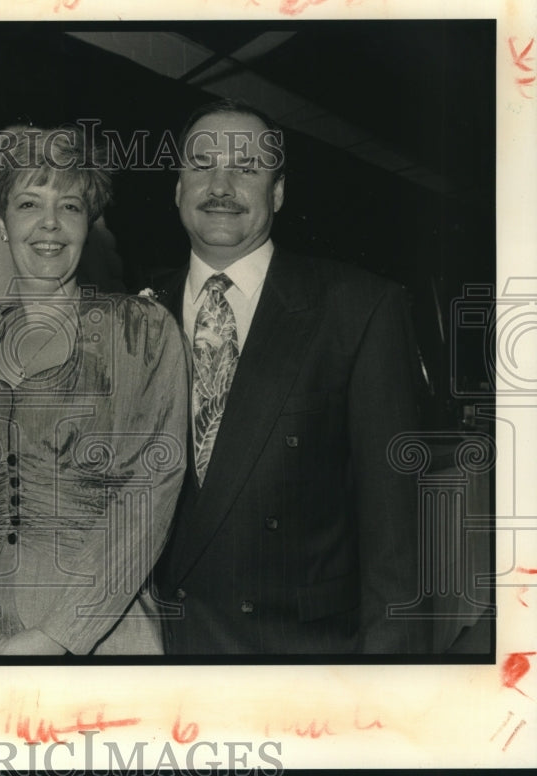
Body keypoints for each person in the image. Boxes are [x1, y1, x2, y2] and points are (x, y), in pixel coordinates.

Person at [154, 99, 431, 654]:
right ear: (178, 188)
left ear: (277, 193)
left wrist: (391, 696)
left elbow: (396, 541)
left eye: (248, 169)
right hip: (162, 653)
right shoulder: (136, 312)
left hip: (301, 661)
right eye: (202, 166)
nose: (222, 184)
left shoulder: (358, 306)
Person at [0, 126, 189, 655]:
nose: (50, 225)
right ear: (0, 219)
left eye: (72, 206)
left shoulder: (142, 333)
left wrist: (57, 636)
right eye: (29, 203)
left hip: (103, 627)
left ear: (90, 223)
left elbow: (150, 489)